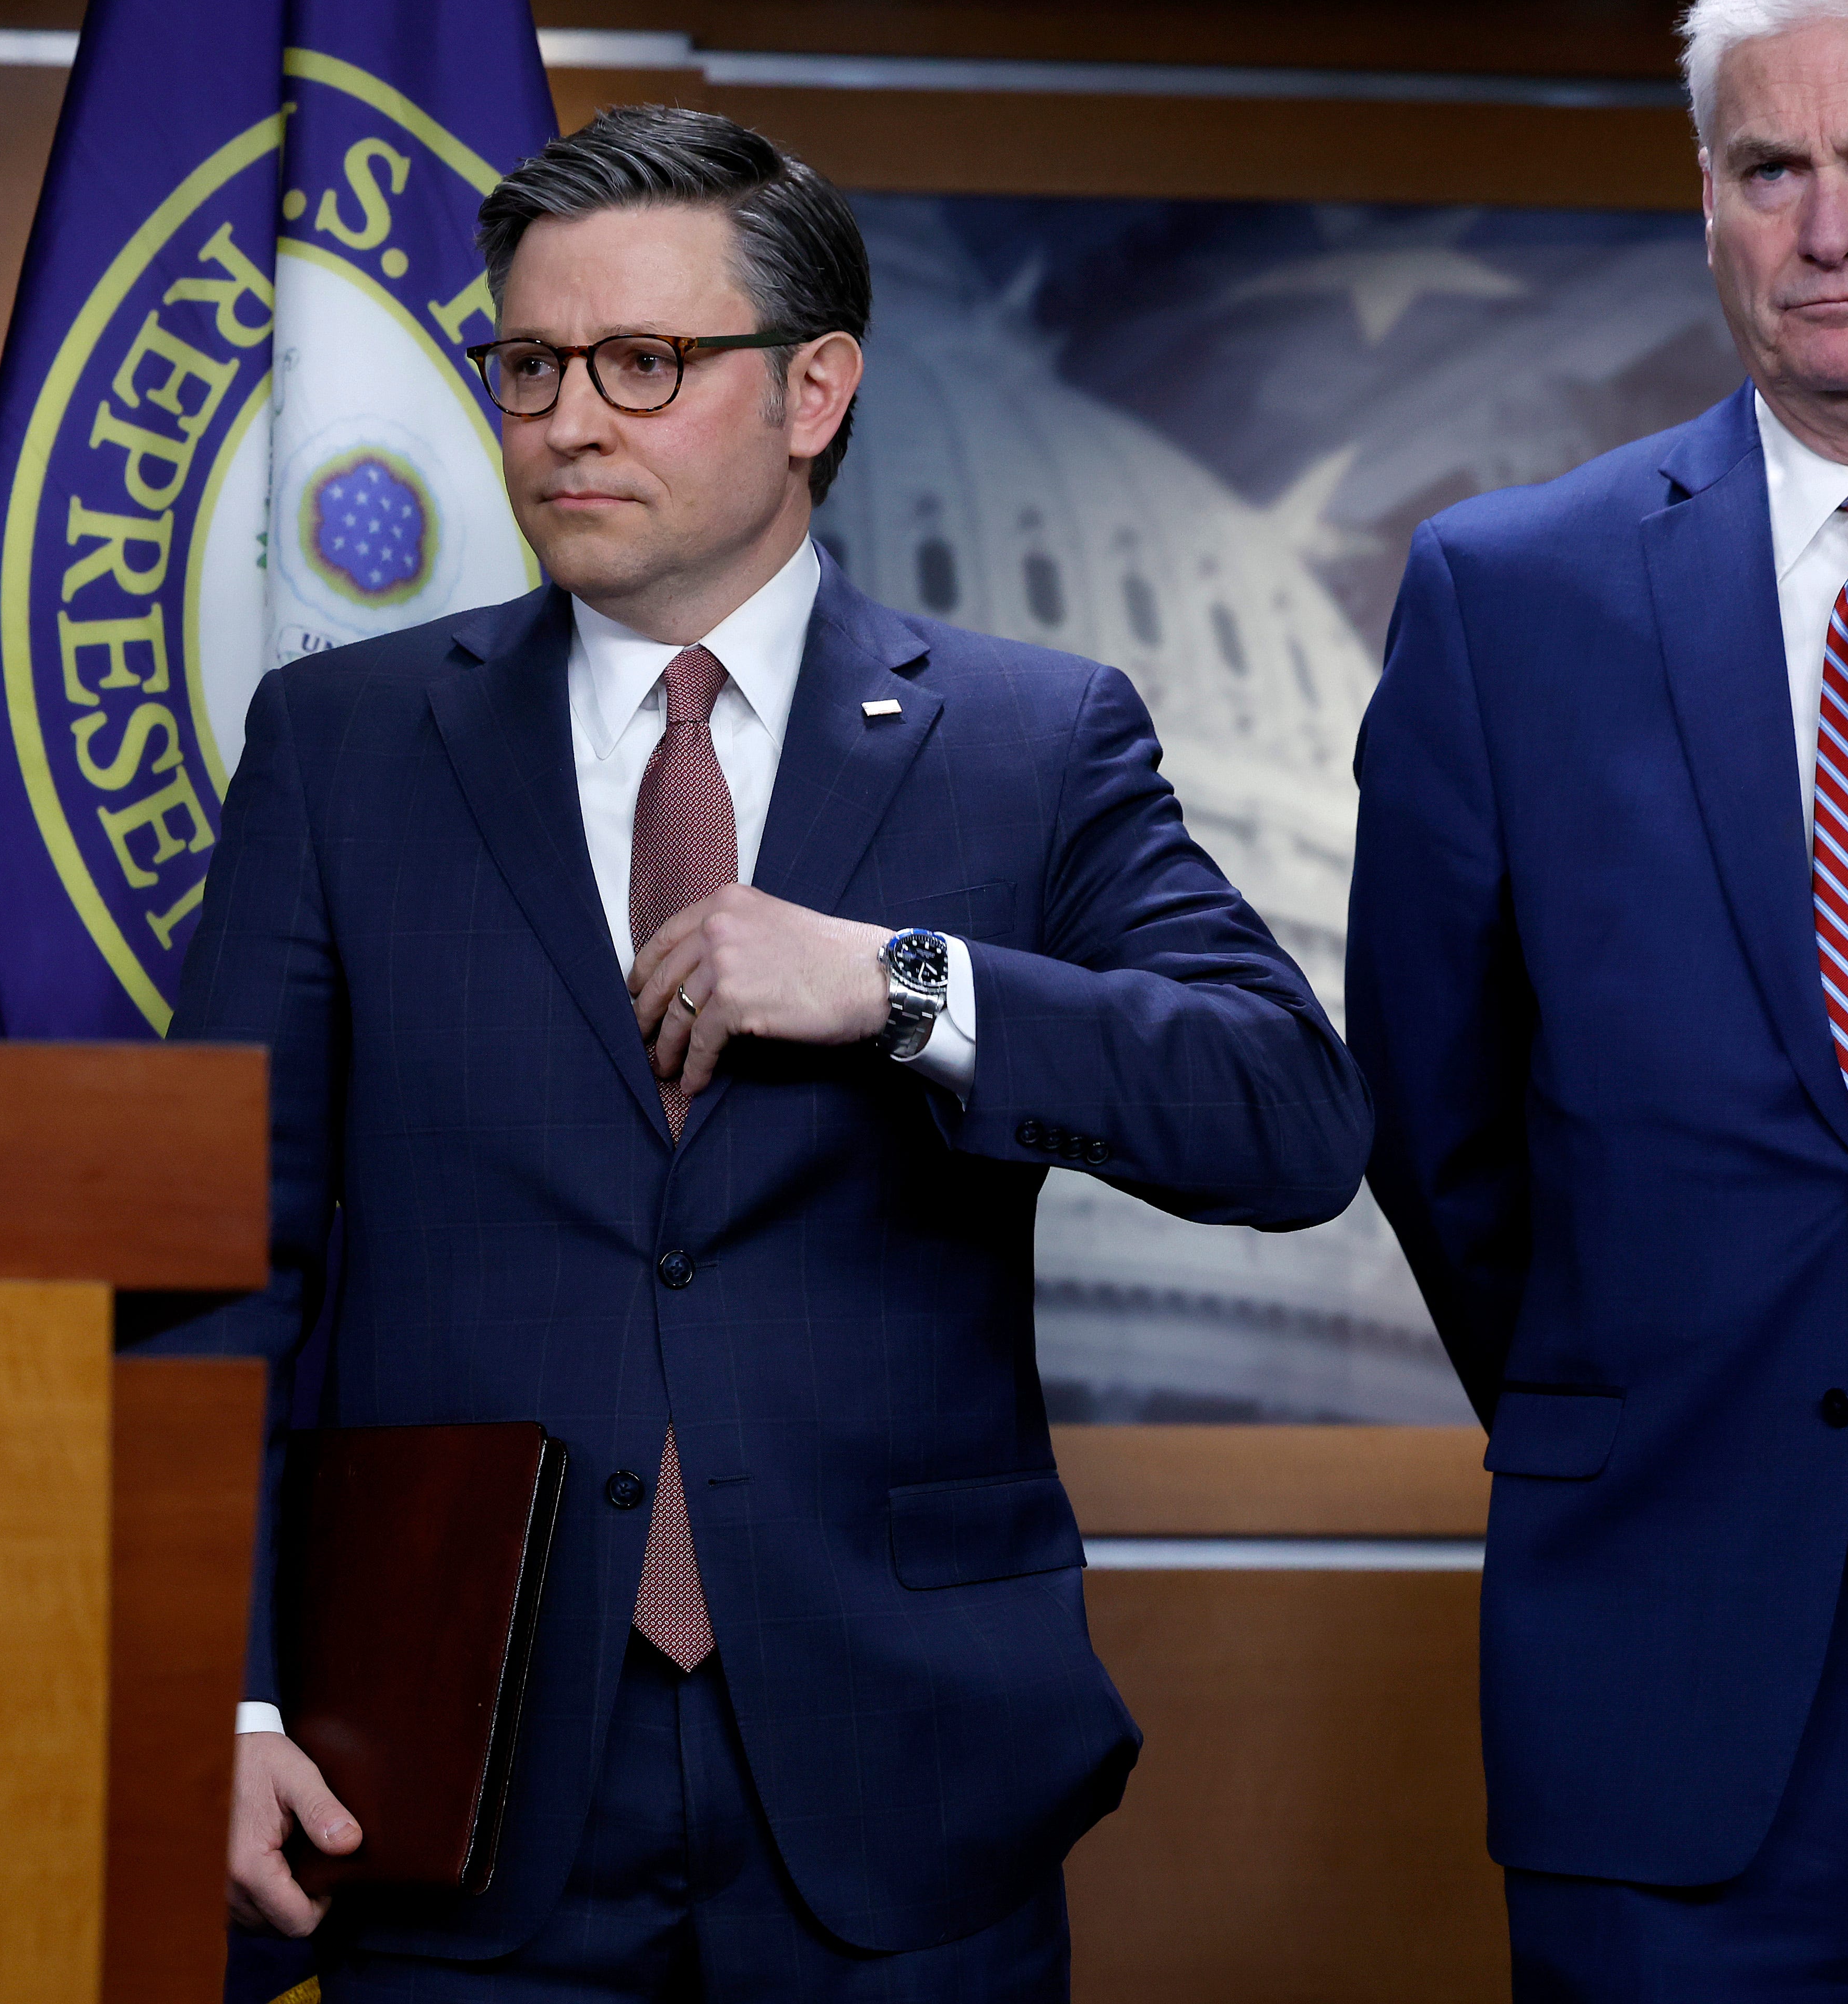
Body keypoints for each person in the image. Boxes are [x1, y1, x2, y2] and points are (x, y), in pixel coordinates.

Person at [149, 104, 1370, 2001]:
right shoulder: (343, 748)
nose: (567, 419)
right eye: (531, 362)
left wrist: (903, 985)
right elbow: (212, 1264)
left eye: (644, 363)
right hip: (440, 1757)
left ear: (816, 390)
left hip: (899, 1771)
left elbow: (1286, 1120)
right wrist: (212, 1707)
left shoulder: (1031, 745)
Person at [1351, 0, 1848, 1986]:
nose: (1829, 226)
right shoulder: (1506, 599)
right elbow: (1439, 1128)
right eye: (1767, 168)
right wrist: (1650, 1394)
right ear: (1708, 200)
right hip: (1668, 1678)